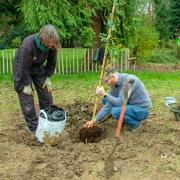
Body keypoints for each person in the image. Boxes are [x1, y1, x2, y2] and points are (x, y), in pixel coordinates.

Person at [13, 24, 60, 134]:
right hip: (22, 68)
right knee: (27, 97)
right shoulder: (28, 45)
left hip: (37, 67)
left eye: (53, 43)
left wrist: (48, 77)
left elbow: (52, 62)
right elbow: (22, 67)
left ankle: (48, 123)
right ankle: (34, 129)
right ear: (44, 37)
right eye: (50, 42)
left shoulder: (52, 46)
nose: (52, 45)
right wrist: (25, 84)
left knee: (46, 95)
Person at [85, 67, 152, 131]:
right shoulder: (115, 85)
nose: (106, 84)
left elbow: (121, 103)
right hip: (131, 105)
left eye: (106, 81)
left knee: (115, 111)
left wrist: (104, 94)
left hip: (142, 110)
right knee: (106, 100)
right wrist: (94, 120)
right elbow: (109, 105)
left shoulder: (129, 81)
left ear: (112, 76)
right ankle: (126, 117)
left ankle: (136, 124)